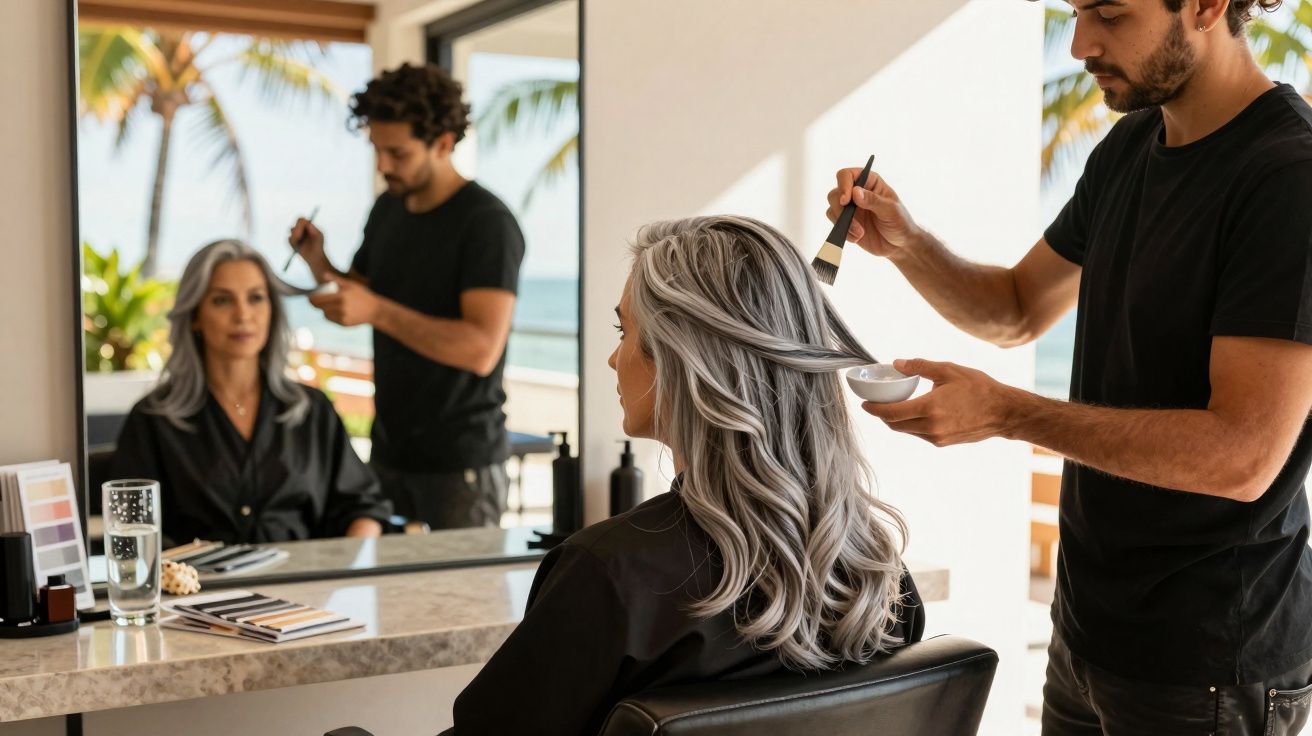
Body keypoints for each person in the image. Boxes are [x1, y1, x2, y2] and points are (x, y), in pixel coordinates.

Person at [826, 0, 1312, 732]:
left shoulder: (1287, 177)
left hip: (1208, 663)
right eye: (1077, 11)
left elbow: (1243, 456)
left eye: (1109, 15)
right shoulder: (1126, 150)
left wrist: (1009, 413)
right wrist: (907, 245)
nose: (1082, 42)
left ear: (1210, 5)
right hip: (1088, 636)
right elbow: (1018, 309)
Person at [441, 216, 924, 735]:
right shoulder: (876, 573)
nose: (612, 357)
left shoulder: (608, 576)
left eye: (625, 331)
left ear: (682, 360)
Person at [288, 62, 525, 531]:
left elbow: (481, 349)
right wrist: (319, 262)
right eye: (376, 150)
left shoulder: (486, 223)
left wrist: (375, 309)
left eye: (397, 153)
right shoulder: (387, 209)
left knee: (463, 602)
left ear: (442, 143)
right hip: (390, 450)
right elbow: (356, 297)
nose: (383, 166)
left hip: (461, 464)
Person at [111, 240, 392, 546]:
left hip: (306, 587)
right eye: (222, 300)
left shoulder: (312, 410)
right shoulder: (153, 419)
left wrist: (345, 571)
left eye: (256, 298)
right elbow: (131, 534)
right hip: (197, 591)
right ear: (194, 315)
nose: (243, 314)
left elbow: (362, 506)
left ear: (272, 310)